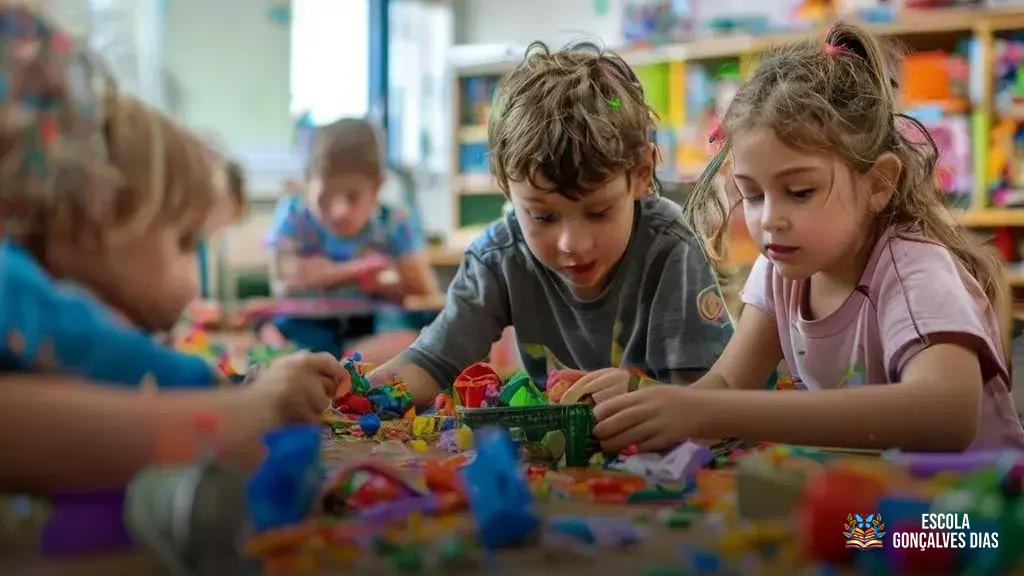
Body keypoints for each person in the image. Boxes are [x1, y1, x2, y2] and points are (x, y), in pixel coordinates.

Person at [592, 22, 1024, 453]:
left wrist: (707, 412)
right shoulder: (781, 269)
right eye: (754, 194)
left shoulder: (913, 271)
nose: (771, 220)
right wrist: (644, 399)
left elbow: (946, 414)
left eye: (800, 192)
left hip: (970, 509)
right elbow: (727, 384)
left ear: (878, 184)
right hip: (878, 502)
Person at [0, 12, 343, 492]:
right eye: (186, 244)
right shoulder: (14, 282)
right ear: (97, 218)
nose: (194, 275)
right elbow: (111, 353)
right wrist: (251, 405)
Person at [369, 42, 734, 407]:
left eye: (598, 212)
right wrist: (358, 394)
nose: (572, 243)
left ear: (641, 173)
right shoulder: (498, 256)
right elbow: (432, 363)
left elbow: (710, 400)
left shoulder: (669, 248)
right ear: (505, 187)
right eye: (543, 216)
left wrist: (637, 391)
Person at [265, 118, 439, 354]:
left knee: (413, 341)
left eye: (353, 197)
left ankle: (346, 366)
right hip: (305, 325)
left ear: (377, 186)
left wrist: (384, 282)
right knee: (272, 336)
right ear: (307, 184)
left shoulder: (392, 222)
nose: (340, 211)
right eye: (325, 197)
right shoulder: (295, 213)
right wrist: (359, 270)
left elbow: (424, 289)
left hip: (372, 328)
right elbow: (284, 277)